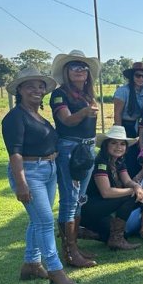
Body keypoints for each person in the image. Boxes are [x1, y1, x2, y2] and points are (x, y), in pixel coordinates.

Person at [2, 67, 76, 284]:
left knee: (37, 220)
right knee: (45, 221)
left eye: (41, 86)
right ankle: (55, 269)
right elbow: (14, 153)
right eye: (30, 86)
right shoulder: (14, 118)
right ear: (20, 90)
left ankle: (31, 264)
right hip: (30, 171)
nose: (37, 90)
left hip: (48, 170)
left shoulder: (38, 115)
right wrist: (21, 183)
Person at [49, 50, 100, 269]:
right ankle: (69, 252)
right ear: (66, 72)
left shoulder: (88, 95)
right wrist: (86, 112)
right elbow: (67, 121)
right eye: (74, 67)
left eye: (83, 67)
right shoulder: (60, 94)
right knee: (70, 201)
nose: (80, 71)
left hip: (87, 148)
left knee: (79, 199)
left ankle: (75, 246)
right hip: (70, 148)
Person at [81, 126, 143, 251]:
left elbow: (127, 181)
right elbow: (106, 192)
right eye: (113, 143)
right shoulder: (101, 162)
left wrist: (137, 186)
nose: (118, 147)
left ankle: (84, 232)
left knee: (122, 234)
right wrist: (134, 191)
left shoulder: (118, 161)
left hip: (102, 209)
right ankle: (116, 239)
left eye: (122, 144)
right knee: (131, 196)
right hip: (90, 208)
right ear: (106, 145)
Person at [113, 61, 143, 153]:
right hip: (126, 126)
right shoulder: (123, 91)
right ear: (132, 77)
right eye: (138, 75)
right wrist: (119, 133)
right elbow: (117, 113)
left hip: (142, 127)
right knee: (128, 154)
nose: (141, 78)